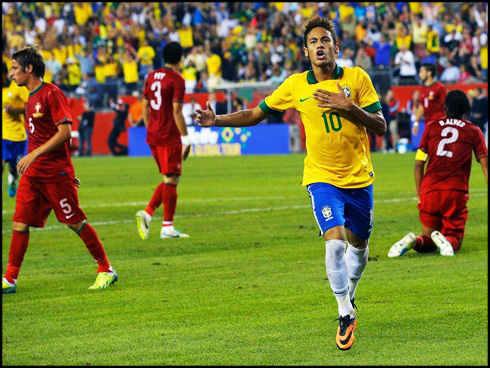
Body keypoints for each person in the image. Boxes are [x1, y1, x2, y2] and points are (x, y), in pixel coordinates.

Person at [195, 16, 387, 351]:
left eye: (325, 40)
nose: (320, 46)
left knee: (359, 247)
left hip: (359, 178)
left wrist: (349, 107)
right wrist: (217, 120)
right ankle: (344, 313)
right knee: (334, 243)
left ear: (336, 46)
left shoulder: (357, 78)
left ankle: (349, 296)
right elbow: (256, 113)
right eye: (313, 42)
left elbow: (381, 125)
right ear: (306, 51)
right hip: (321, 177)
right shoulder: (296, 85)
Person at [2, 47, 117, 294]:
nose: (11, 74)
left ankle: (106, 269)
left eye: (14, 68)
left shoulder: (52, 94)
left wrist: (33, 154)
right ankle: (10, 278)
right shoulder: (30, 96)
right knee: (20, 222)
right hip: (33, 174)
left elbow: (64, 133)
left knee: (75, 222)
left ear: (28, 68)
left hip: (55, 174)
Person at [388, 90, 488, 257]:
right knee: (455, 239)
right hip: (454, 191)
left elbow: (419, 164)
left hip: (429, 190)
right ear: (466, 108)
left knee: (427, 238)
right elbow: (485, 165)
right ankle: (447, 241)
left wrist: (420, 192)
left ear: (446, 107)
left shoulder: (431, 127)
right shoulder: (473, 131)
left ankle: (414, 241)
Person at [135, 41, 191, 240]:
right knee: (171, 179)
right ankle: (166, 226)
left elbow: (144, 109)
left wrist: (152, 128)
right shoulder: (177, 79)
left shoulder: (150, 77)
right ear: (180, 58)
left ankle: (149, 215)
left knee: (170, 178)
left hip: (154, 135)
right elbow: (177, 111)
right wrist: (186, 137)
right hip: (169, 135)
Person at [2, 61, 28, 197]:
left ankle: (12, 179)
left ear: (5, 74)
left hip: (17, 136)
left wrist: (15, 111)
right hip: (3, 136)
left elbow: (30, 106)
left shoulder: (17, 87)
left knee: (14, 169)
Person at [412, 63, 447, 136]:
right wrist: (416, 123)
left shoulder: (439, 87)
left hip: (439, 124)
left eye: (421, 71)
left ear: (429, 73)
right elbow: (421, 107)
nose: (419, 74)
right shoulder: (423, 89)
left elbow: (447, 105)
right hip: (428, 125)